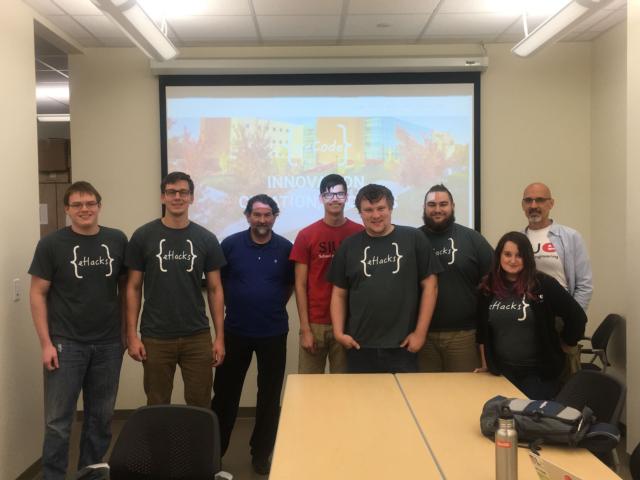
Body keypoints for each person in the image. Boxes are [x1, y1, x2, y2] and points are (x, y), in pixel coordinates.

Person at [29, 181, 127, 480]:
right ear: (67, 210)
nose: (84, 209)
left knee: (100, 420)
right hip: (65, 345)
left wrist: (125, 333)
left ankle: (90, 475)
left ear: (99, 206)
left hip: (109, 345)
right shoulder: (51, 245)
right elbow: (37, 293)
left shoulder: (117, 240)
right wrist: (46, 343)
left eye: (90, 203)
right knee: (58, 423)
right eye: (77, 205)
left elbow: (126, 288)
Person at [125, 171, 226, 408]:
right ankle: (161, 447)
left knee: (200, 404)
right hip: (155, 336)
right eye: (171, 192)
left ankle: (197, 447)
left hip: (197, 336)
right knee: (157, 403)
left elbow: (214, 289)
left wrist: (220, 337)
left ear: (191, 198)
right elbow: (133, 287)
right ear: (163, 197)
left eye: (183, 192)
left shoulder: (206, 238)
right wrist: (132, 335)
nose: (177, 197)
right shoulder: (143, 236)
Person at [211, 194, 294, 476]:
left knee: (269, 399)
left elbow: (288, 286)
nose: (262, 220)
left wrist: (267, 305)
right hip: (235, 331)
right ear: (247, 216)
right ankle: (215, 454)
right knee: (224, 397)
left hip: (273, 333)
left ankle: (261, 455)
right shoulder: (230, 245)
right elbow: (217, 287)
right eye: (257, 214)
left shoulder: (285, 248)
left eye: (267, 214)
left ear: (274, 217)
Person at [328, 184, 441, 374]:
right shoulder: (349, 246)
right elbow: (339, 293)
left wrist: (420, 334)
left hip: (403, 346)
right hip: (359, 346)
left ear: (390, 208)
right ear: (360, 212)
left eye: (381, 208)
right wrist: (339, 333)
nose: (375, 215)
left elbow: (431, 286)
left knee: (403, 403)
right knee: (362, 403)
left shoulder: (414, 238)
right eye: (368, 210)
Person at [475, 231, 587, 399]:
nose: (512, 260)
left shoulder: (543, 284)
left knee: (532, 421)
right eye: (507, 254)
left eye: (519, 255)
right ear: (499, 256)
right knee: (502, 420)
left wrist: (565, 343)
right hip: (502, 372)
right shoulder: (488, 287)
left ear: (527, 258)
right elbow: (482, 331)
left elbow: (577, 317)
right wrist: (486, 365)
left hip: (538, 375)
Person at [290, 174, 364, 374]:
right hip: (315, 324)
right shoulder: (306, 235)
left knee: (344, 388)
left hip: (348, 322)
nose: (334, 199)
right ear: (321, 198)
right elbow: (300, 285)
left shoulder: (360, 233)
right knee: (308, 387)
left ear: (347, 197)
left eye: (339, 193)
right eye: (328, 194)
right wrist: (305, 329)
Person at [417, 184, 493, 372]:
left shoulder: (473, 239)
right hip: (422, 337)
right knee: (424, 396)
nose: (437, 209)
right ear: (424, 208)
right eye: (432, 204)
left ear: (453, 206)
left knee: (464, 395)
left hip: (464, 336)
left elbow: (493, 283)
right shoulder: (413, 240)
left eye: (443, 204)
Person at [521, 182, 592, 310]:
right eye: (528, 200)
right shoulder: (517, 240)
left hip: (561, 312)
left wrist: (574, 317)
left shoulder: (571, 237)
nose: (533, 205)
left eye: (540, 200)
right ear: (522, 205)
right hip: (527, 312)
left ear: (551, 204)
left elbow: (584, 285)